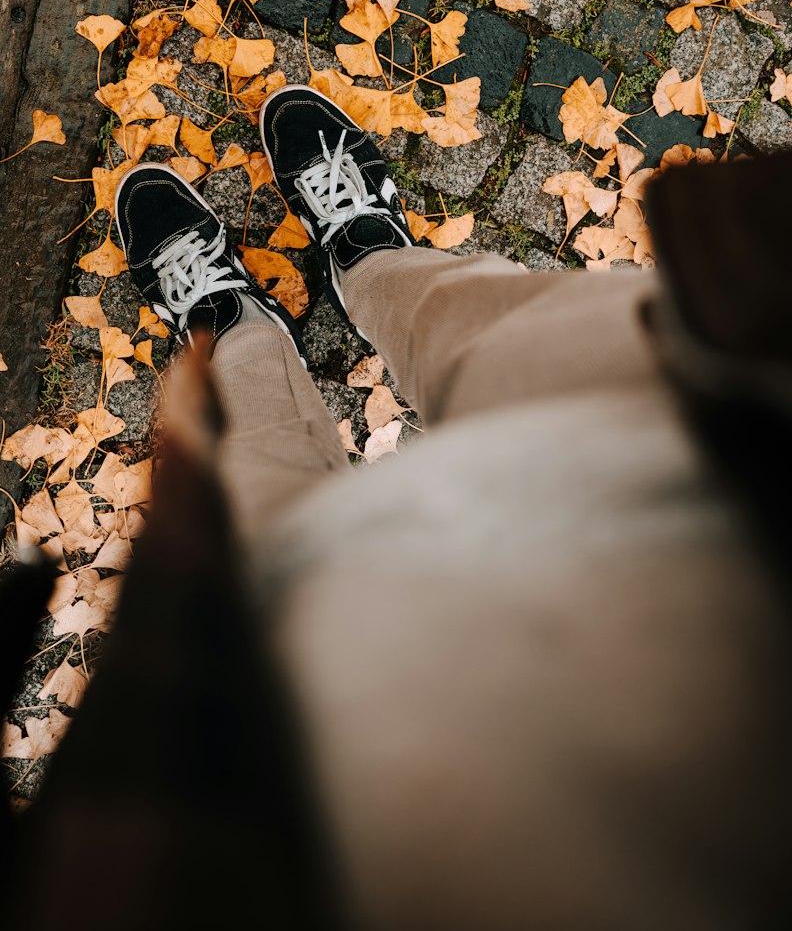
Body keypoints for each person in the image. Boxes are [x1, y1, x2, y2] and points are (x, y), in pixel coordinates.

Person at [115, 86, 792, 931]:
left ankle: (231, 328)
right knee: (489, 333)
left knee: (255, 518)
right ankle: (367, 257)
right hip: (742, 432)